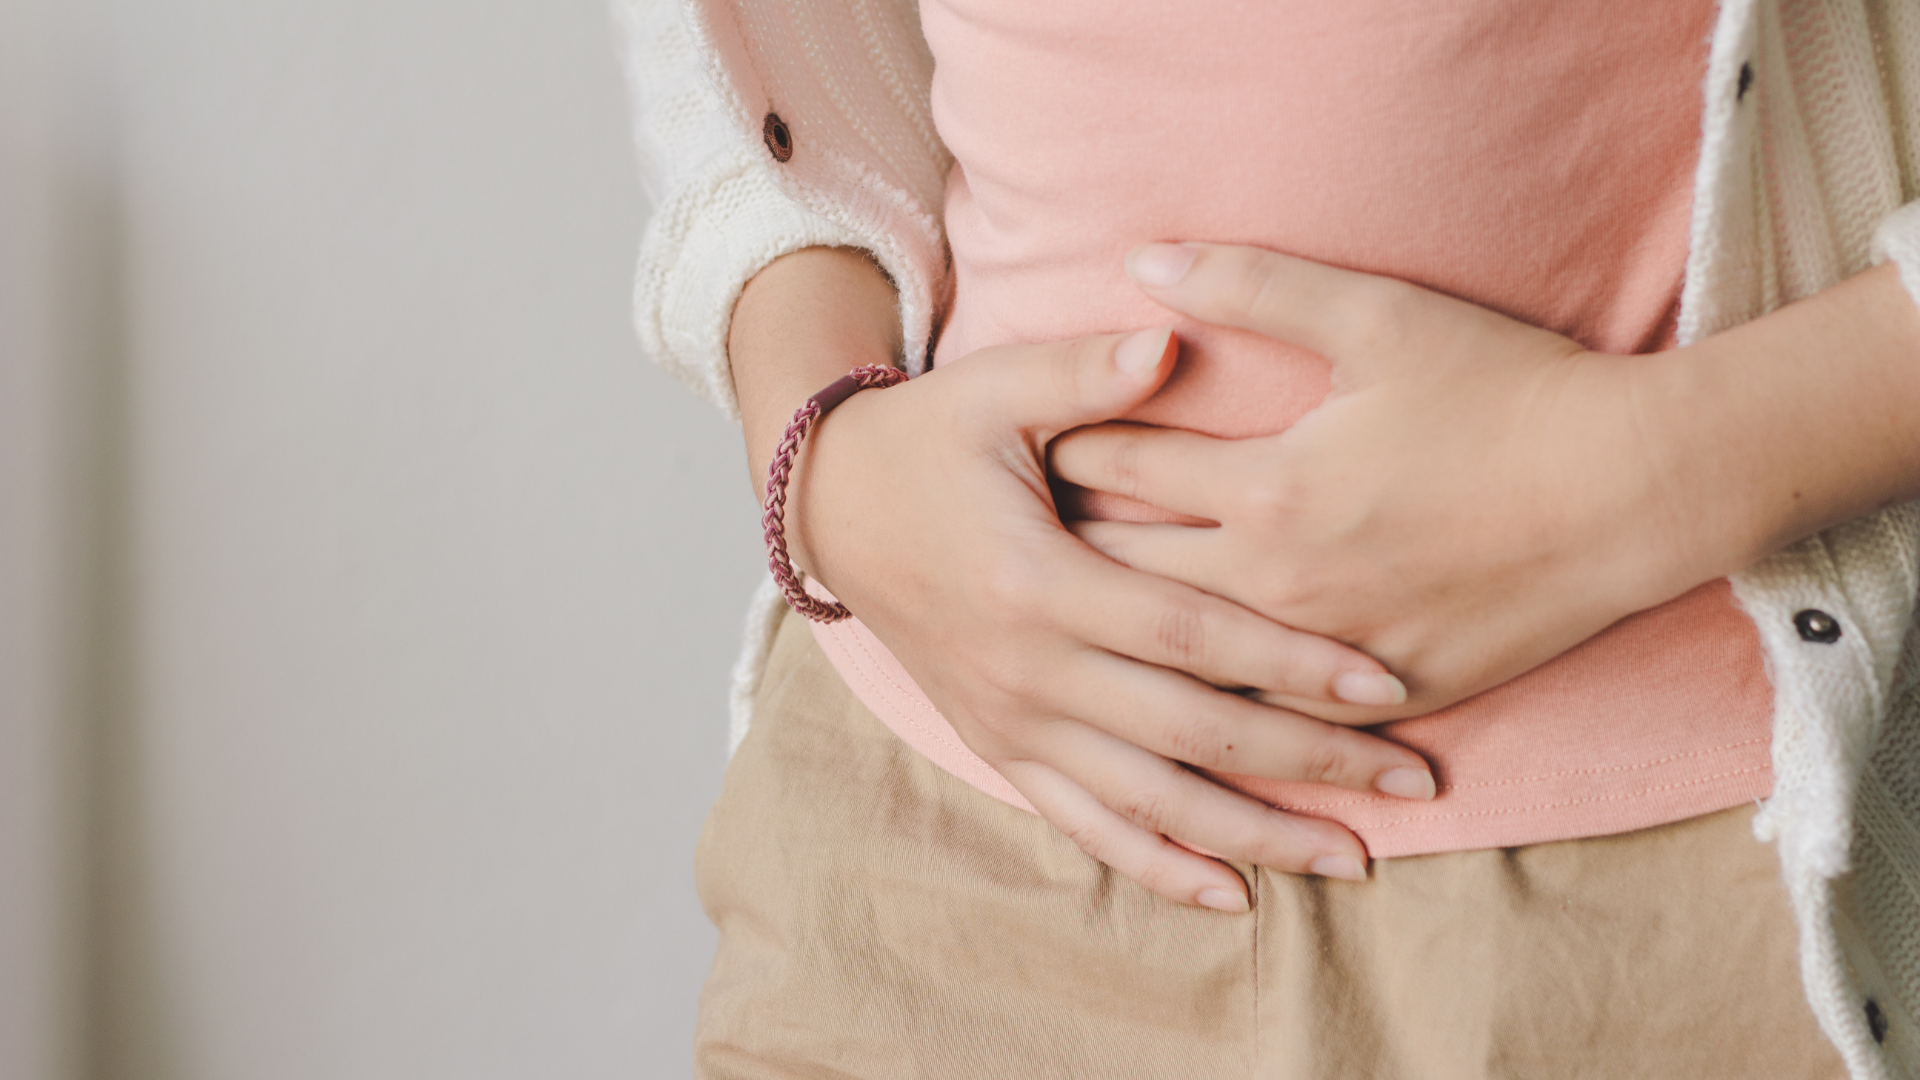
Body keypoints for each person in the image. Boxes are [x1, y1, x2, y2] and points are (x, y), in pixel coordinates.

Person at [617, 0, 1920, 1076]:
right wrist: (828, 455)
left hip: (1705, 893)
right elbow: (729, 59)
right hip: (939, 858)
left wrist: (1649, 475)